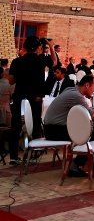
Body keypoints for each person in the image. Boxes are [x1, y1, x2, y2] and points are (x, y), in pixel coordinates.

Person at [44, 75, 94, 177]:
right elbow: (90, 114)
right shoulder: (76, 95)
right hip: (54, 130)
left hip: (51, 128)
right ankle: (74, 166)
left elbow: (85, 110)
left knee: (92, 134)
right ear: (87, 85)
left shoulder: (71, 90)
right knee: (90, 135)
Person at [7, 36, 56, 166]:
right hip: (35, 97)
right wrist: (51, 47)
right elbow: (54, 63)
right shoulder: (41, 59)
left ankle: (13, 157)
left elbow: (11, 81)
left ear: (25, 48)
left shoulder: (16, 61)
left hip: (19, 96)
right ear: (39, 48)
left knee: (15, 126)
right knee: (35, 125)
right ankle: (34, 155)